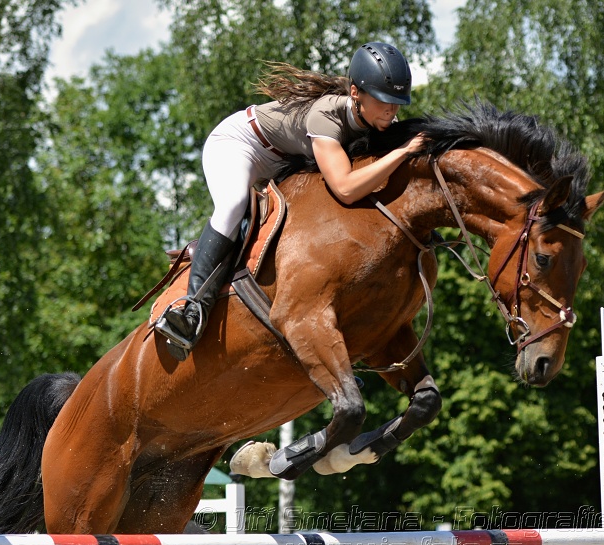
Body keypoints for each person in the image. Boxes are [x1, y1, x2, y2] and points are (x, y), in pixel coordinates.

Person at [155, 41, 425, 360]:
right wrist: (404, 151)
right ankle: (191, 311)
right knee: (233, 204)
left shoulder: (380, 121)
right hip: (242, 144)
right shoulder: (327, 115)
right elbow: (346, 188)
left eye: (397, 102)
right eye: (383, 100)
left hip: (283, 161)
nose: (391, 110)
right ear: (355, 93)